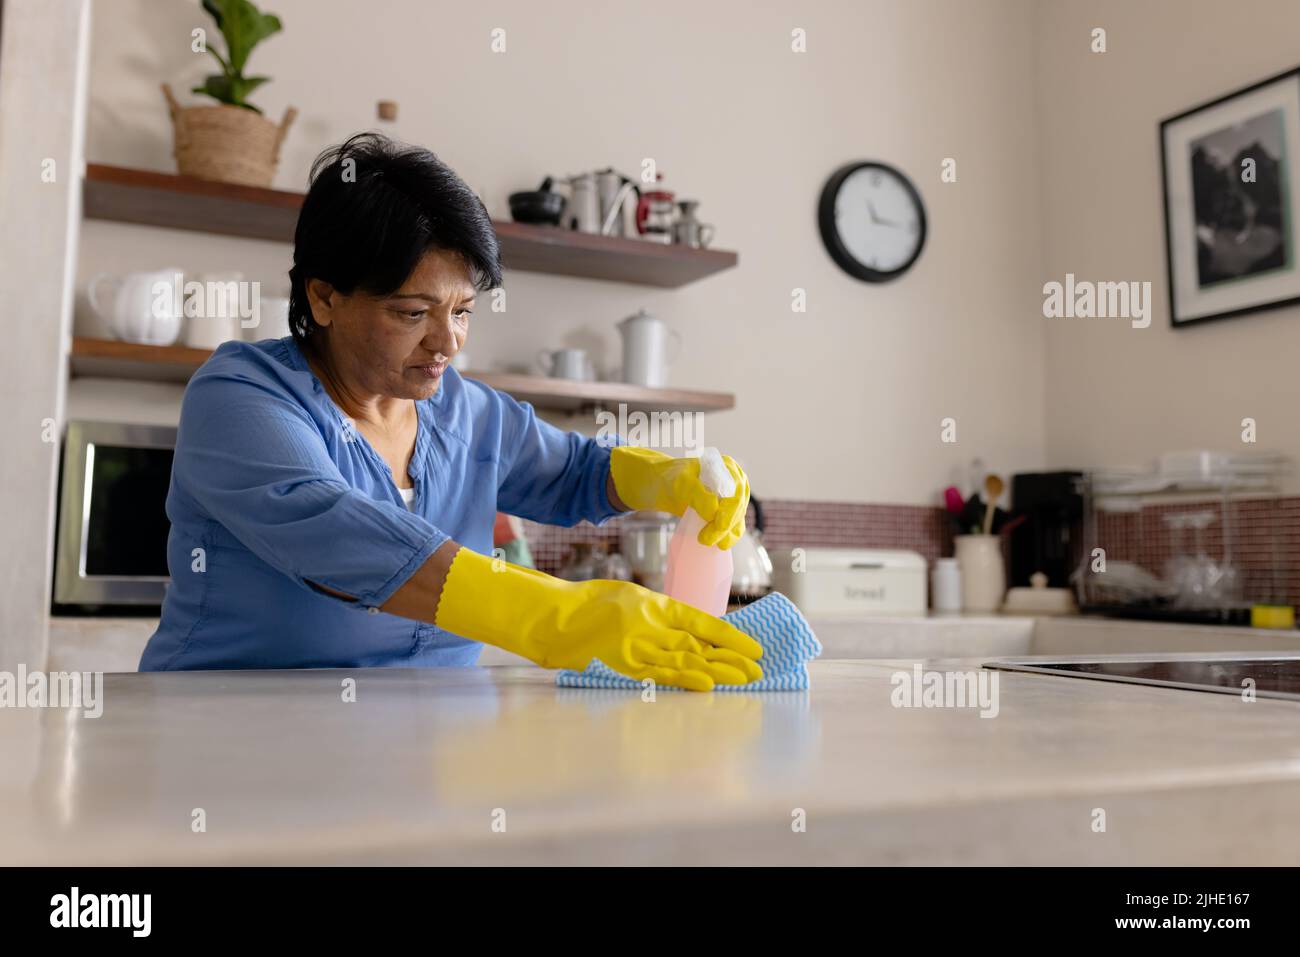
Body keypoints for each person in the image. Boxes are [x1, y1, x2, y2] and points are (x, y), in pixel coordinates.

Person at [138, 133, 761, 691]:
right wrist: (558, 616)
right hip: (232, 745)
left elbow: (574, 473)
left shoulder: (465, 410)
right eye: (413, 313)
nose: (448, 342)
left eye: (462, 311)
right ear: (324, 297)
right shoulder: (240, 396)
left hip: (427, 757)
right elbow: (332, 535)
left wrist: (666, 477)